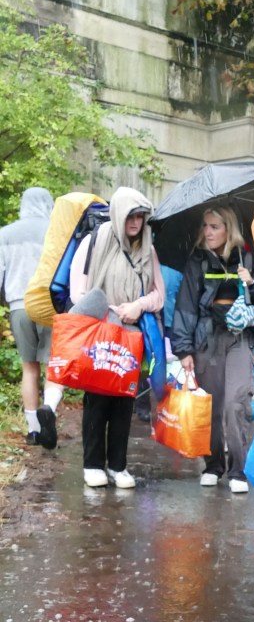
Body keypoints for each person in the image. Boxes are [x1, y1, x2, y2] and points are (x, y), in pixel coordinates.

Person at [69, 186, 165, 489]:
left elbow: (158, 295)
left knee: (124, 401)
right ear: (118, 214)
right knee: (97, 399)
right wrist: (108, 310)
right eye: (130, 216)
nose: (135, 223)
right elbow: (77, 291)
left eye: (140, 216)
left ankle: (118, 465)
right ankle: (93, 464)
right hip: (99, 332)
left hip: (130, 336)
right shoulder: (94, 242)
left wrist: (138, 305)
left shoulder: (148, 248)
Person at [170, 204, 254, 493]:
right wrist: (184, 350)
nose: (208, 232)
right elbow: (186, 306)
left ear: (229, 229)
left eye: (215, 226)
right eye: (205, 226)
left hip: (240, 338)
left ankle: (238, 470)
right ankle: (213, 465)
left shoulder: (248, 257)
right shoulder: (197, 262)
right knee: (211, 406)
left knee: (235, 402)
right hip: (207, 339)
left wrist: (251, 282)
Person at [0, 186, 64, 449]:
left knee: (29, 366)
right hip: (49, 306)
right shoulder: (56, 232)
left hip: (19, 305)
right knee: (53, 365)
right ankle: (48, 407)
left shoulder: (5, 234)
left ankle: (34, 430)